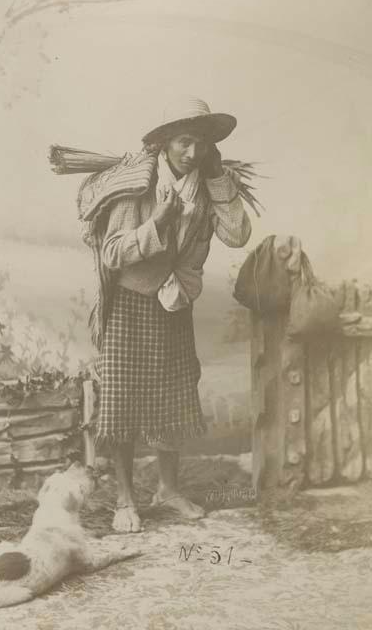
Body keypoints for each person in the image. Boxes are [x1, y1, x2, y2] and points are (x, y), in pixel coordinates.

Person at [91, 97, 252, 532]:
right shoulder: (139, 183)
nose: (192, 153)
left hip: (175, 301)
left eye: (201, 144)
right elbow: (111, 253)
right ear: (164, 142)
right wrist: (157, 223)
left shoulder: (208, 182)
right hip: (130, 301)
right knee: (123, 399)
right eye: (185, 142)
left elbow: (237, 234)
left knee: (173, 396)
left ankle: (168, 489)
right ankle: (125, 499)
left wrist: (218, 175)